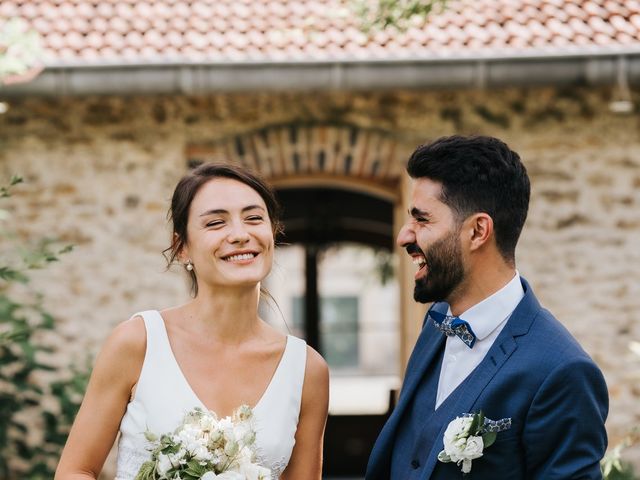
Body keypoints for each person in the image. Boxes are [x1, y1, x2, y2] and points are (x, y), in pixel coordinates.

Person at [55, 163, 329, 480]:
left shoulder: (307, 370)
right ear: (181, 247)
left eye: (254, 218)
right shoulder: (138, 343)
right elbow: (75, 471)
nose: (240, 235)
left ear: (272, 232)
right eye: (215, 223)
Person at [366, 135, 608, 479]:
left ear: (478, 231)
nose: (404, 236)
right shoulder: (435, 321)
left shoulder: (561, 371)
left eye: (422, 220)